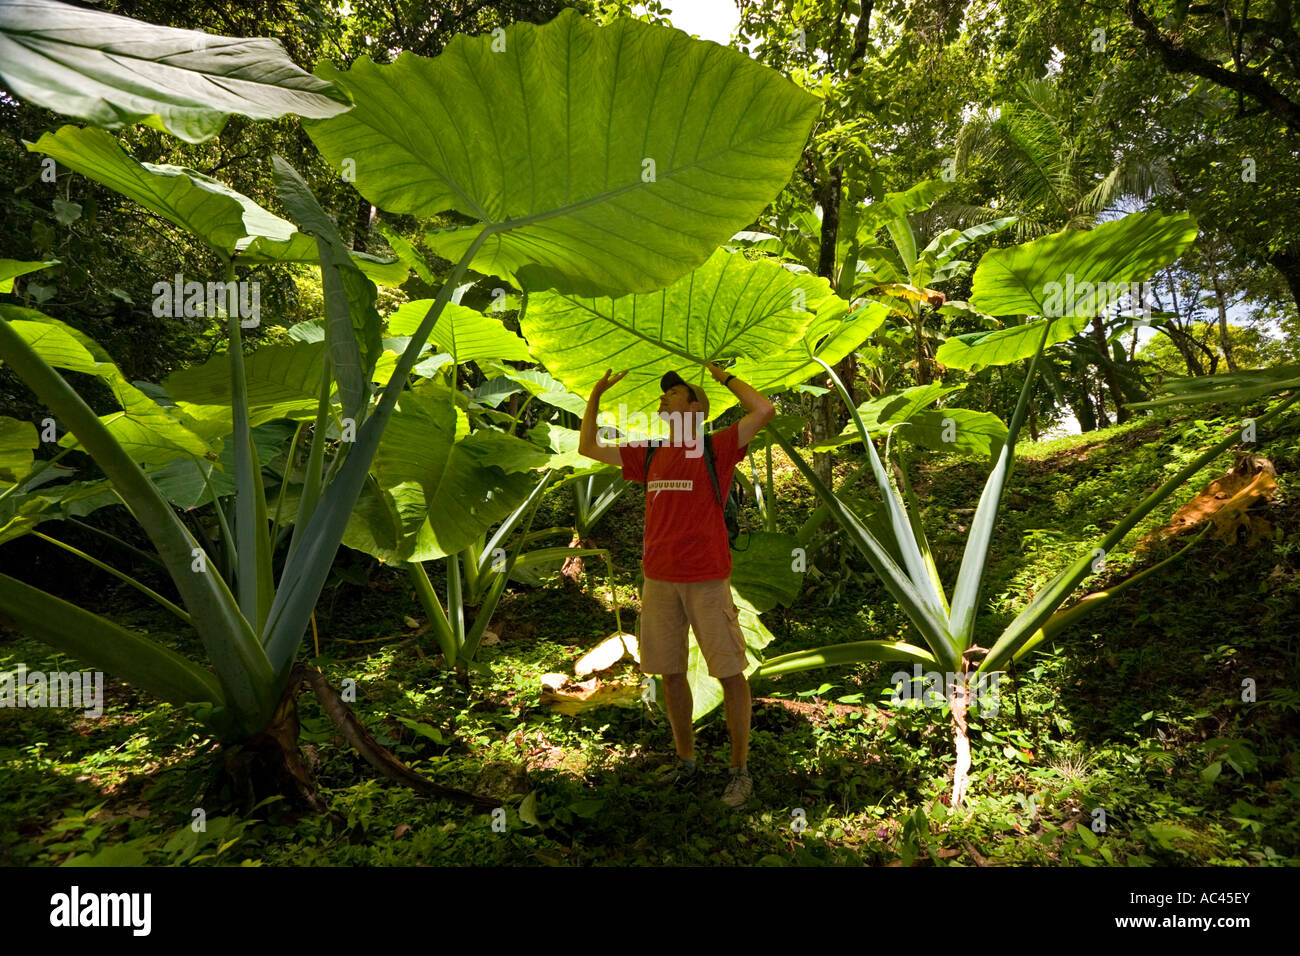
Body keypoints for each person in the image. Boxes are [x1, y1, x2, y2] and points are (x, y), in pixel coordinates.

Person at [578, 362, 775, 807]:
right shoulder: (647, 453)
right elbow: (588, 446)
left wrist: (723, 377)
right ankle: (686, 763)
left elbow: (764, 409)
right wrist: (596, 393)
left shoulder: (717, 447)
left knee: (729, 673)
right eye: (664, 395)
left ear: (697, 407)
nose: (664, 397)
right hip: (658, 580)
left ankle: (739, 771)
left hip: (706, 578)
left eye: (675, 393)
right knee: (670, 674)